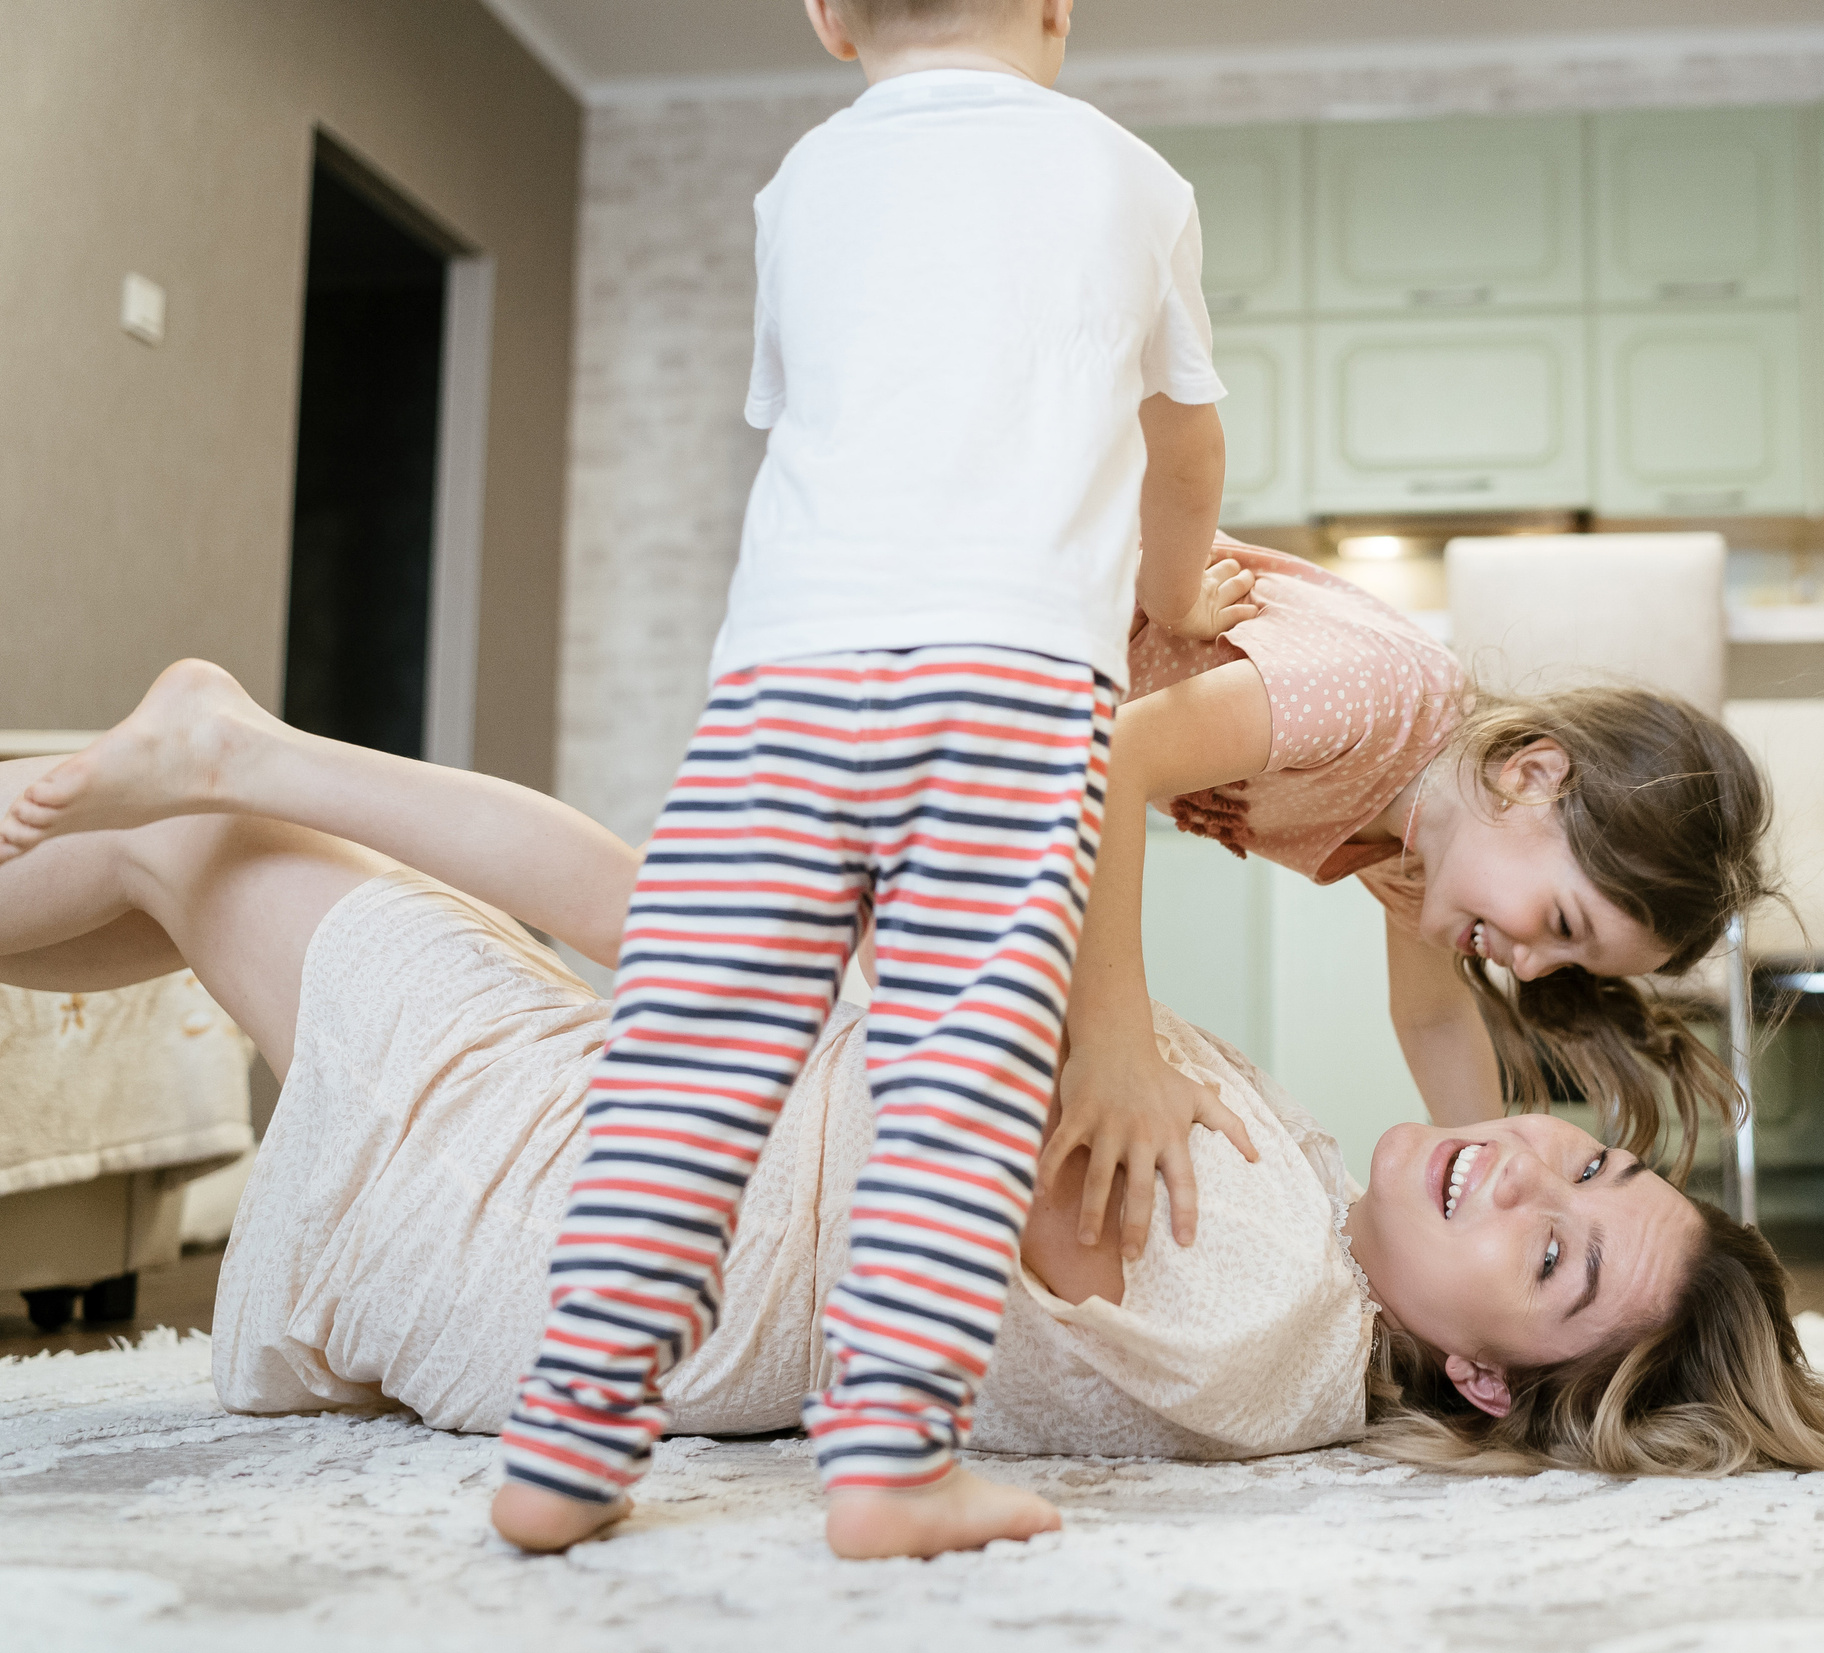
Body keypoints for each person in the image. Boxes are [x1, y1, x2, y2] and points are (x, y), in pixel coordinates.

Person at [9, 0, 1258, 1559]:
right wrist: (1181, 587)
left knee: (683, 1060)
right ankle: (890, 1460)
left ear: (824, 16)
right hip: (1009, 694)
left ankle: (571, 1436)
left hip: (782, 681)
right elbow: (1184, 450)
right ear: (1060, 10)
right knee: (954, 1075)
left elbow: (818, 417)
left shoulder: (802, 184)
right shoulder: (1133, 178)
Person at [0, 666, 1824, 1504]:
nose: (1525, 1175)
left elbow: (982, 1089)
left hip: (586, 1225)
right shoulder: (1324, 1261)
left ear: (1481, 1375)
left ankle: (233, 743)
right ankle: (219, 749)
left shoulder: (1256, 1294)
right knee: (199, 854)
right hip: (684, 1173)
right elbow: (1443, 1042)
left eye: (1559, 1261)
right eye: (1591, 1166)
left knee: (215, 835)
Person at [1046, 535, 1768, 1273]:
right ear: (1532, 777)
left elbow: (1434, 1018)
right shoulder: (1383, 698)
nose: (1530, 964)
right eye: (1561, 924)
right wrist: (1116, 1049)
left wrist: (1494, 1199)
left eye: (1567, 961)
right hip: (1015, 593)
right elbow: (1118, 755)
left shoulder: (1421, 853)